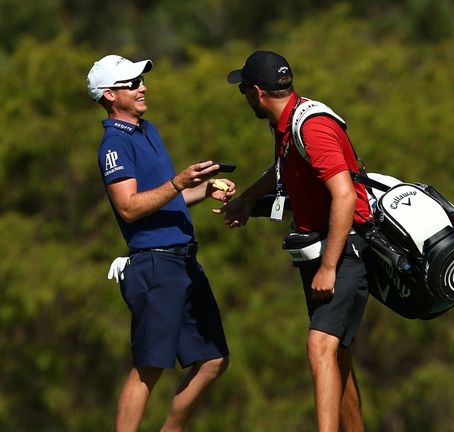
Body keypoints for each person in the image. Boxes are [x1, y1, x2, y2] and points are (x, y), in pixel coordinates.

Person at [220, 50, 373, 432]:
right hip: (325, 250)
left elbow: (345, 196)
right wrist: (249, 199)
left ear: (257, 92)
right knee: (337, 356)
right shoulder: (289, 122)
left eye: (243, 91)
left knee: (319, 346)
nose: (244, 98)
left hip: (342, 250)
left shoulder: (311, 127)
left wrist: (329, 267)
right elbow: (283, 169)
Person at [87, 54, 233, 432]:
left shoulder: (147, 130)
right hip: (154, 265)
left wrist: (203, 188)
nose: (142, 87)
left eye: (140, 80)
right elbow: (130, 208)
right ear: (108, 95)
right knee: (149, 366)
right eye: (131, 83)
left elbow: (167, 198)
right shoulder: (114, 145)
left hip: (184, 261)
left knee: (214, 359)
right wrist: (179, 182)